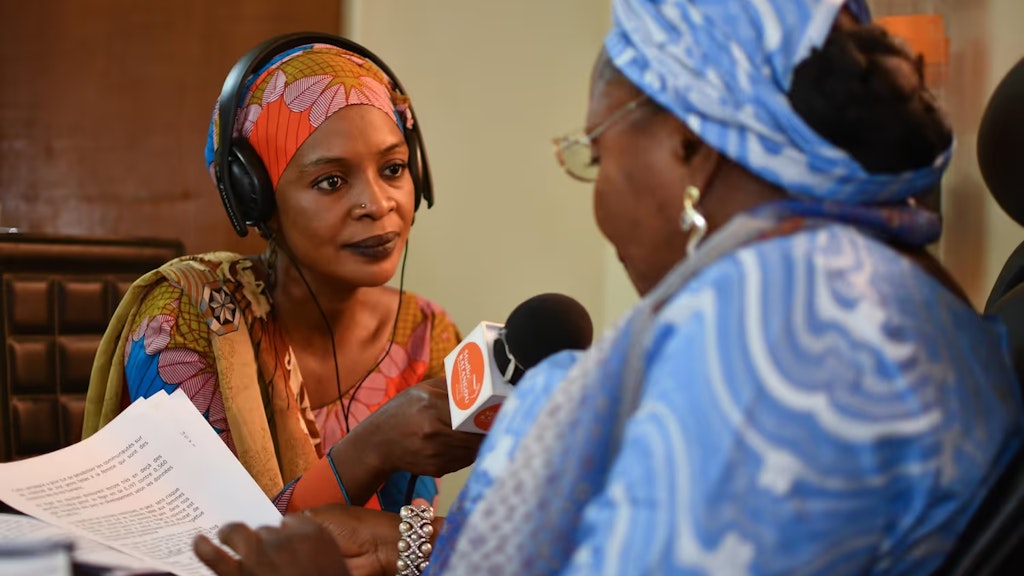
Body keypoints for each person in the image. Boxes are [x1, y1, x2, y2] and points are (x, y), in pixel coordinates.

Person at [193, 1, 1024, 574]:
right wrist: (407, 548)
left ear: (691, 148)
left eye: (594, 152)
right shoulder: (857, 276)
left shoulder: (784, 324)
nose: (596, 196)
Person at [82, 34, 482, 515]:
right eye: (331, 181)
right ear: (257, 201)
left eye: (394, 169)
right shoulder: (188, 322)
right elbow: (211, 542)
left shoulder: (425, 336)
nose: (378, 205)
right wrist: (373, 448)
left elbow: (407, 536)